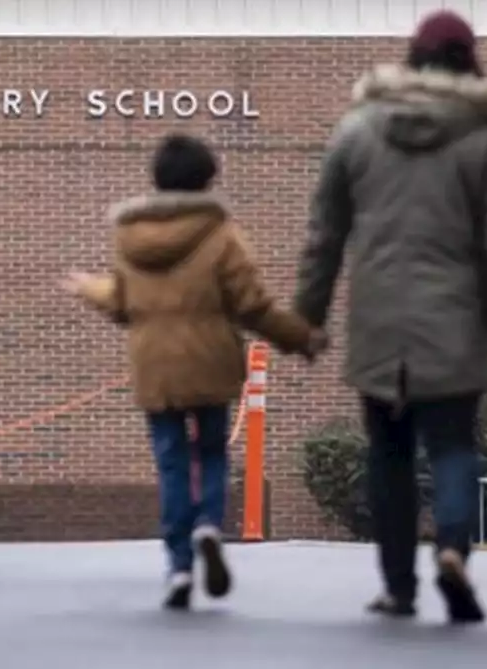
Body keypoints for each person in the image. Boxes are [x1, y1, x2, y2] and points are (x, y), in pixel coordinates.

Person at [292, 10, 487, 624]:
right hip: (455, 318)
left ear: (410, 59)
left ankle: (398, 586)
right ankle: (452, 547)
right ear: (470, 63)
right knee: (452, 443)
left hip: (379, 321)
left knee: (388, 453)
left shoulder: (358, 130)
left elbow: (325, 234)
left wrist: (307, 318)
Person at [63, 133, 326, 611]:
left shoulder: (129, 236)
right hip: (211, 360)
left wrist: (91, 288)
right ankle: (208, 523)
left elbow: (123, 303)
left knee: (170, 461)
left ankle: (180, 565)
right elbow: (252, 305)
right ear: (207, 180)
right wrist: (299, 337)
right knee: (210, 450)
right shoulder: (220, 233)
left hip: (155, 365)